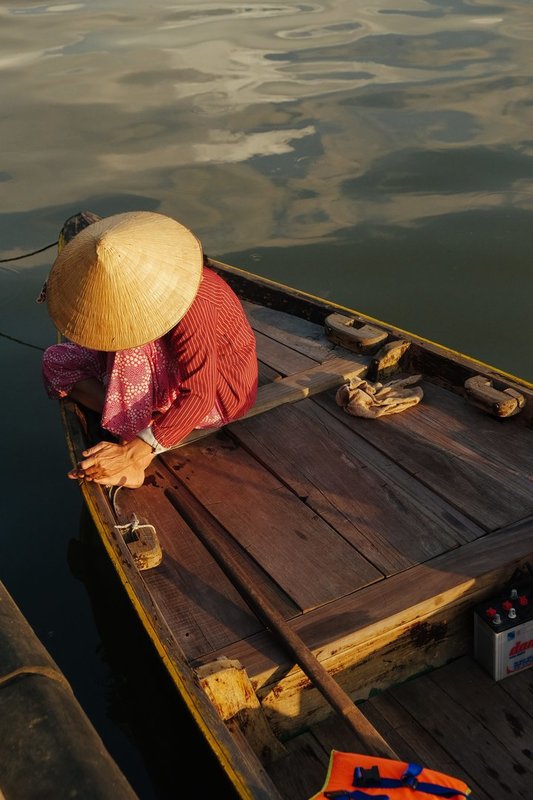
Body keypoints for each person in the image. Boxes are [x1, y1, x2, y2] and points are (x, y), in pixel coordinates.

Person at [41, 210, 259, 489]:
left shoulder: (194, 300)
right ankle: (136, 417)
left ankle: (133, 455)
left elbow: (201, 395)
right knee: (57, 360)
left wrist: (134, 451)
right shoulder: (134, 300)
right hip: (173, 379)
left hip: (220, 393)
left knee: (128, 347)